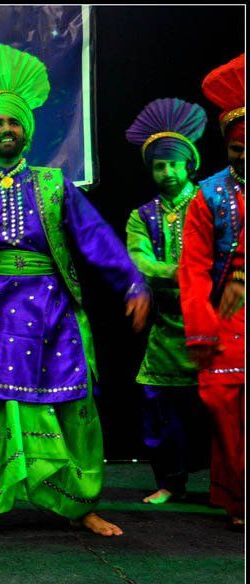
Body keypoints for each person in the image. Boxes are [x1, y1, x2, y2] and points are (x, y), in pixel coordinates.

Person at [0, 44, 150, 542]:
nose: (6, 129)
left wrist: (132, 280)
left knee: (72, 406)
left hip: (52, 312)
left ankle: (79, 505)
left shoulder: (54, 185)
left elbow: (94, 237)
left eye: (14, 122)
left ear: (27, 130)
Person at [124, 98, 210, 504]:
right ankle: (170, 482)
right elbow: (139, 261)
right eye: (160, 166)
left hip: (212, 320)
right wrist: (187, 272)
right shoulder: (142, 216)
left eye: (174, 164)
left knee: (221, 407)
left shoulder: (209, 202)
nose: (168, 173)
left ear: (189, 165)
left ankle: (227, 484)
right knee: (160, 406)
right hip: (167, 324)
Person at [179, 53, 245, 528]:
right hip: (227, 313)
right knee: (224, 401)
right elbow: (194, 267)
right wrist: (202, 327)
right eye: (238, 148)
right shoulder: (209, 194)